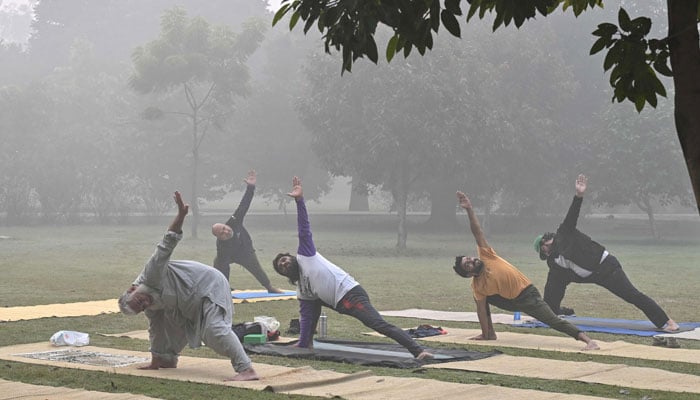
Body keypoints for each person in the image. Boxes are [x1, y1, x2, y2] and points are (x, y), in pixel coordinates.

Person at [272, 176, 433, 360]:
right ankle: (305, 342)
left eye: (284, 259)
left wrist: (299, 201)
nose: (284, 264)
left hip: (350, 293)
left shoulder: (305, 255)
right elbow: (307, 317)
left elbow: (304, 229)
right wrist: (302, 341)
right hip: (336, 302)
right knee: (309, 305)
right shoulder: (302, 290)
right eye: (281, 266)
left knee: (377, 324)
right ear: (284, 274)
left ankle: (418, 351)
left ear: (291, 257)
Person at [118, 191, 259, 381]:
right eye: (141, 307)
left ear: (132, 290)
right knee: (167, 325)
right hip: (188, 301)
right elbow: (156, 330)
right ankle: (167, 360)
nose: (144, 304)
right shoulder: (150, 306)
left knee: (214, 331)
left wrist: (181, 215)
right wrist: (155, 361)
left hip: (210, 285)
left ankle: (246, 369)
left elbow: (167, 242)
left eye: (139, 300)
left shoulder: (151, 274)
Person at [454, 190, 599, 351]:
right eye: (468, 265)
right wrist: (483, 331)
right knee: (480, 299)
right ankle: (489, 334)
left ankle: (588, 341)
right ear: (469, 274)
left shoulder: (487, 256)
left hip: (527, 295)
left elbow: (477, 231)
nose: (473, 260)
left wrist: (469, 209)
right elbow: (481, 310)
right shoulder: (477, 286)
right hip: (510, 300)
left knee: (552, 320)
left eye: (470, 258)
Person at [534, 174, 679, 332]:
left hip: (607, 269)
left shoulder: (564, 233)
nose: (546, 247)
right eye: (543, 249)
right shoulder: (554, 263)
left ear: (549, 238)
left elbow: (572, 215)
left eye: (545, 243)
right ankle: (552, 312)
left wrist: (579, 195)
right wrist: (546, 312)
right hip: (591, 276)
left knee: (632, 295)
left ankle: (666, 322)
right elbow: (552, 287)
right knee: (554, 282)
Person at [211, 170, 283, 293]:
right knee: (218, 263)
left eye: (224, 228)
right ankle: (224, 288)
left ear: (225, 225)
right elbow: (223, 266)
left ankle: (270, 288)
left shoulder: (234, 221)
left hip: (245, 251)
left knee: (256, 267)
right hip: (229, 254)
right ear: (219, 238)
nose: (225, 231)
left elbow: (244, 204)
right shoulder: (221, 246)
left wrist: (250, 187)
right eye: (221, 234)